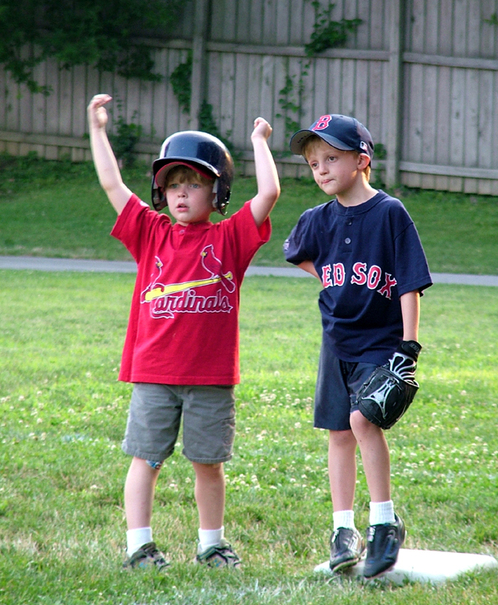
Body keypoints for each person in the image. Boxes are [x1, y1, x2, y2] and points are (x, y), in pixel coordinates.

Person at [88, 93, 280, 571]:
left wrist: (259, 142)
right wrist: (97, 131)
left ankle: (211, 544)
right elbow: (112, 183)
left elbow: (270, 193)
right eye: (173, 183)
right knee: (145, 460)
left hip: (210, 377)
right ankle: (139, 546)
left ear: (217, 192)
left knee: (208, 464)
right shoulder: (150, 232)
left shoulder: (228, 238)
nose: (180, 192)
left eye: (193, 183)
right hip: (154, 373)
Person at [283, 114, 432, 579]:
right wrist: (331, 275)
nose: (321, 169)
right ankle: (343, 530)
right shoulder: (317, 219)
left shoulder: (389, 213)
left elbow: (410, 281)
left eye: (331, 157)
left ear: (361, 160)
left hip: (381, 341)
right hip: (337, 341)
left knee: (362, 420)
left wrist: (408, 346)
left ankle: (385, 523)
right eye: (313, 163)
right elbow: (298, 252)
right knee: (338, 432)